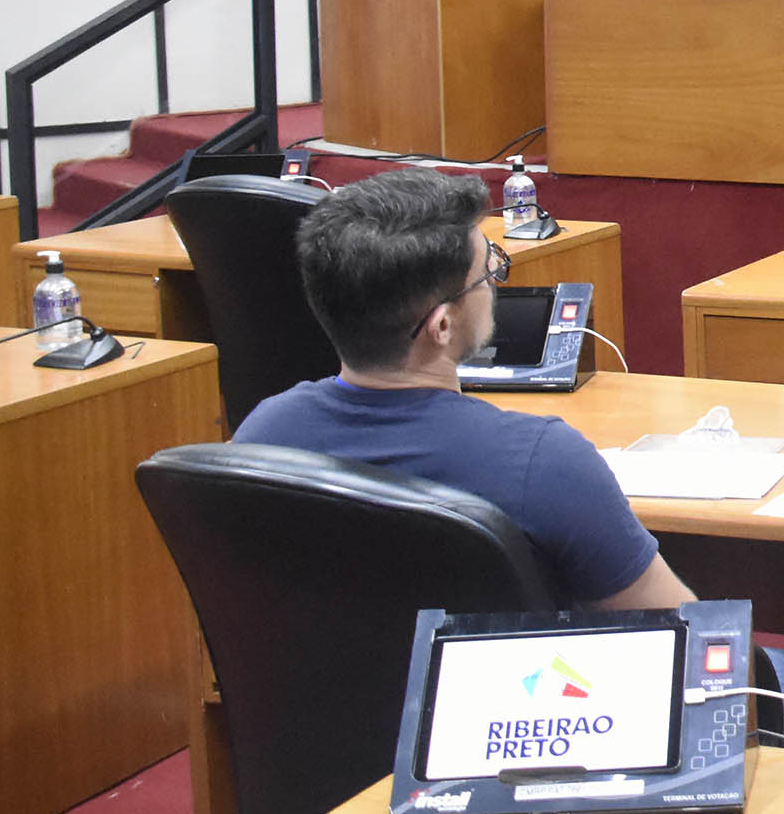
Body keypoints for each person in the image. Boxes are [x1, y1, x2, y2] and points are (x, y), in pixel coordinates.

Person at [235, 168, 685, 609]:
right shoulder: (544, 462)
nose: (493, 282)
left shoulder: (263, 435)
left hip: (320, 684)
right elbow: (683, 636)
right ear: (442, 326)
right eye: (487, 273)